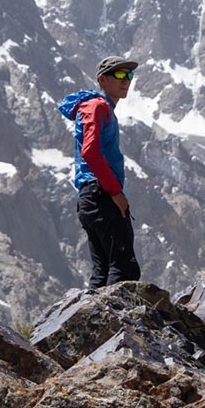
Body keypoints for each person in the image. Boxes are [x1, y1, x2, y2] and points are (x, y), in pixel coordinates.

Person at [57, 56, 142, 289]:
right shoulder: (98, 106)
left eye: (129, 75)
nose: (126, 81)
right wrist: (115, 192)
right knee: (124, 266)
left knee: (103, 269)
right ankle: (116, 323)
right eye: (120, 75)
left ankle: (94, 321)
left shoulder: (97, 107)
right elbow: (90, 151)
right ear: (102, 80)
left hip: (89, 197)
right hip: (101, 194)